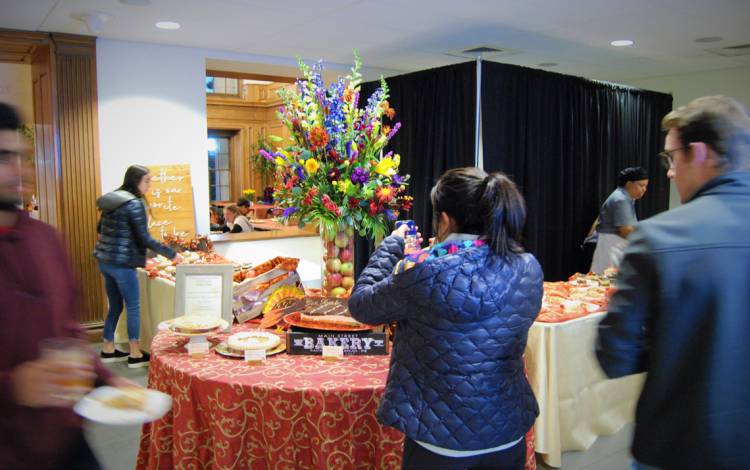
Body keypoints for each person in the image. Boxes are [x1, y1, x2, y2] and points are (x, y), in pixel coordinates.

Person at [349, 167, 543, 470]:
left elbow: (361, 305)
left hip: (438, 441)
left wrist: (392, 244)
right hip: (506, 431)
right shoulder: (528, 266)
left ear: (445, 219)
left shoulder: (424, 273)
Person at [596, 96, 750, 469]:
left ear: (698, 153)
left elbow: (615, 354)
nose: (668, 172)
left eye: (670, 157)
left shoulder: (659, 237)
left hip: (679, 441)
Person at [0, 102, 136, 468]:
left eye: (23, 157)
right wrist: (12, 386)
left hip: (68, 441)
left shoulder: (45, 238)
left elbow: (69, 332)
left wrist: (108, 380)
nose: (19, 169)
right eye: (4, 157)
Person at [94, 165, 183, 368]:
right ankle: (134, 353)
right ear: (136, 181)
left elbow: (100, 228)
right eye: (147, 181)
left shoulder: (113, 199)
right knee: (133, 306)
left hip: (105, 260)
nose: (150, 185)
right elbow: (144, 238)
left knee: (115, 305)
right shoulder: (134, 204)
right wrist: (172, 255)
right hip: (123, 264)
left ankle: (108, 347)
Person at [589, 166, 649, 273]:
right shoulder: (620, 199)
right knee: (607, 282)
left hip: (614, 246)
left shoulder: (625, 197)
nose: (644, 189)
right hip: (611, 247)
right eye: (641, 185)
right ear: (629, 184)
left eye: (645, 186)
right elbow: (625, 231)